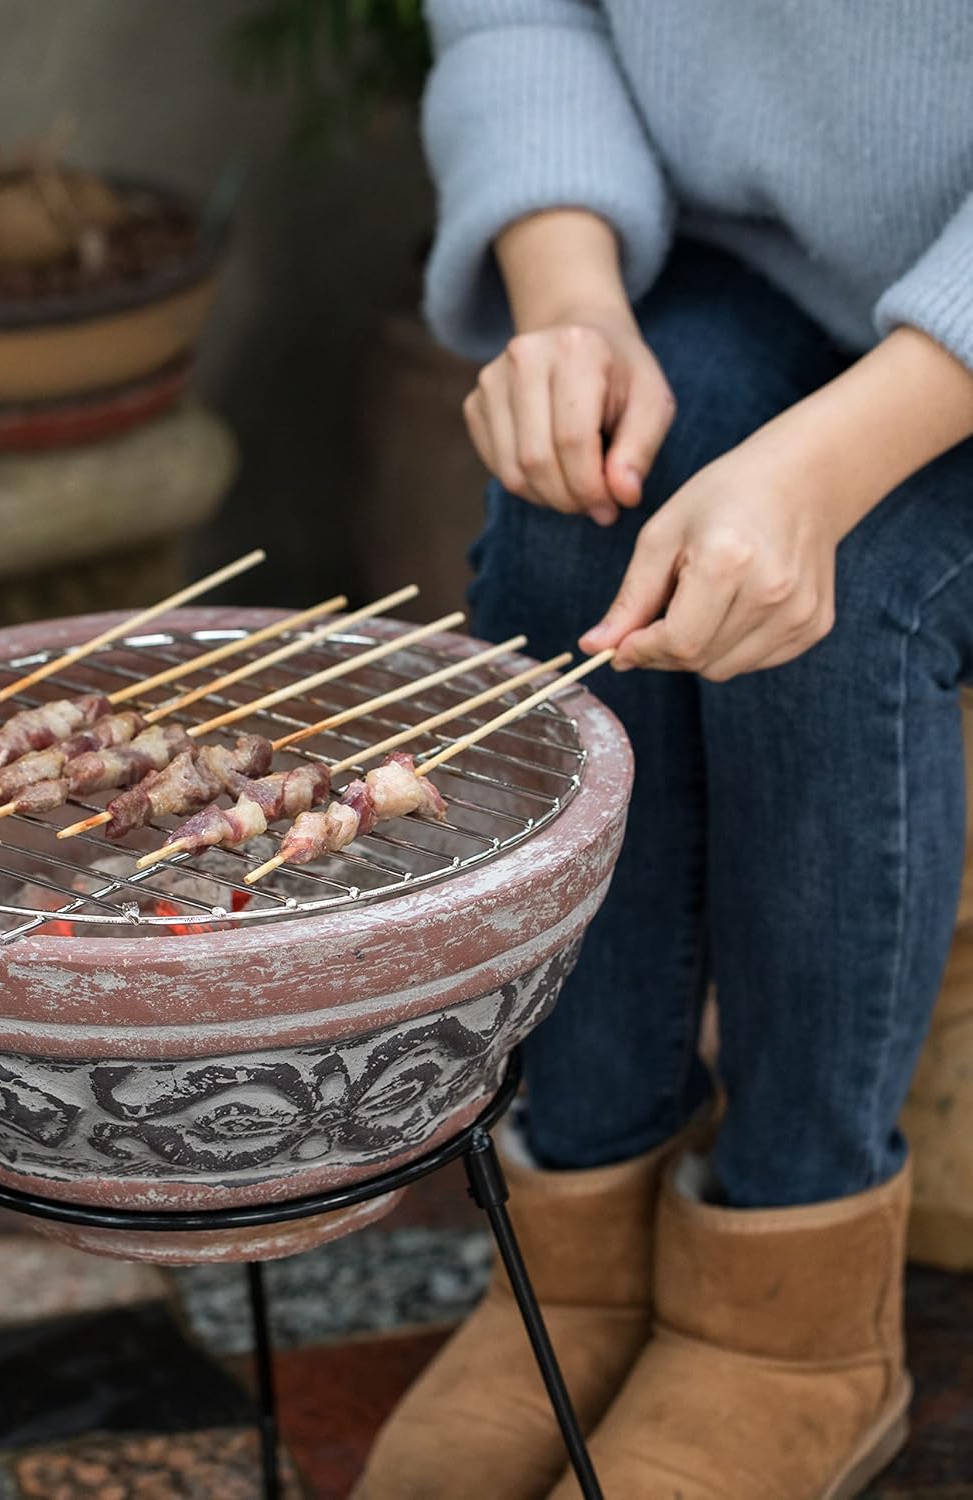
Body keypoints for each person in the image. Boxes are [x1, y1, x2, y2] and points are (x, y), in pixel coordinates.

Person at [353, 5, 973, 1498]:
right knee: (575, 534)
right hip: (749, 266)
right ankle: (577, 1255)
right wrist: (566, 301)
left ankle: (792, 1319)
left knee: (844, 602)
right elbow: (519, 11)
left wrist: (823, 465)